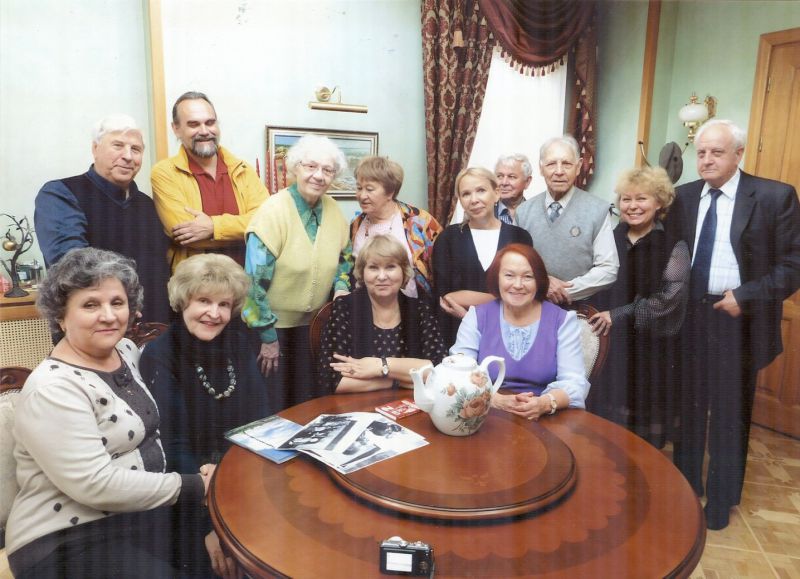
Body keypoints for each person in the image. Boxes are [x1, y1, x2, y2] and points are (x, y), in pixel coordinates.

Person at [5, 248, 214, 578]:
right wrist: (195, 487)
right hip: (65, 539)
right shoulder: (53, 388)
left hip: (139, 517)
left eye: (117, 302)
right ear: (61, 315)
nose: (109, 315)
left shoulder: (127, 351)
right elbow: (94, 483)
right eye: (90, 305)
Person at [667, 119, 800, 530]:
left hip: (738, 320)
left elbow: (793, 265)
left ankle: (721, 500)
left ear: (738, 154)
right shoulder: (683, 196)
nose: (706, 159)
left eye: (717, 152)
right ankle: (686, 488)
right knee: (688, 409)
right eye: (701, 152)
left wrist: (745, 296)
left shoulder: (774, 196)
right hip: (690, 317)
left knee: (729, 414)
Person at [139, 253, 266, 578]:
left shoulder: (239, 344)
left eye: (224, 304)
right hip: (186, 494)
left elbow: (260, 421)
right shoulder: (160, 355)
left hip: (240, 478)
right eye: (204, 301)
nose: (214, 313)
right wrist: (209, 527)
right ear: (183, 301)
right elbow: (173, 448)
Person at [242, 134, 353, 411]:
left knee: (309, 404)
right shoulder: (273, 211)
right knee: (275, 407)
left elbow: (345, 258)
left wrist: (341, 286)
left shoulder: (334, 210)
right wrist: (267, 337)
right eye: (311, 166)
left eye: (327, 170)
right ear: (295, 168)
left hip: (316, 328)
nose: (319, 176)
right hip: (272, 330)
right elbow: (252, 283)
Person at [587, 167, 690, 448]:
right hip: (609, 346)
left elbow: (669, 299)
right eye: (626, 199)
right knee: (603, 436)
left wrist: (617, 314)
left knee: (642, 442)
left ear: (659, 202)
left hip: (651, 351)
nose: (632, 206)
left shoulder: (674, 245)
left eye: (641, 198)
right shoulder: (608, 238)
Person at [34, 114, 171, 323]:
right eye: (118, 146)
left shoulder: (148, 204)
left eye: (136, 149)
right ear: (95, 148)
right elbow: (73, 263)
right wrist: (123, 305)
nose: (128, 156)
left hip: (154, 328)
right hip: (95, 326)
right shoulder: (61, 193)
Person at [450, 244, 589, 420]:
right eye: (509, 275)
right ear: (497, 278)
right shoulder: (476, 317)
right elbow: (457, 373)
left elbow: (575, 383)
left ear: (539, 281)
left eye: (528, 277)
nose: (517, 285)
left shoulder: (562, 321)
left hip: (543, 417)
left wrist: (545, 403)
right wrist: (494, 399)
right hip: (486, 415)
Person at [151, 91, 268, 270]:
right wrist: (244, 231)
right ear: (176, 129)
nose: (205, 131)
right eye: (193, 124)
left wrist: (213, 227)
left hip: (246, 280)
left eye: (210, 122)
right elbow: (185, 235)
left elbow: (266, 222)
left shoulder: (243, 169)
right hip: (194, 282)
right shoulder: (165, 173)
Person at [319, 235, 447, 393]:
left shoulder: (420, 311)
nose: (381, 276)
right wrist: (395, 380)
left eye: (390, 267)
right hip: (357, 405)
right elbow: (333, 380)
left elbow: (438, 369)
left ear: (403, 272)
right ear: (362, 272)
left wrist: (380, 365)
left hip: (411, 405)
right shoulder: (345, 308)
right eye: (373, 267)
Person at [433, 167, 532, 345]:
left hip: (508, 334)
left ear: (496, 193)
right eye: (466, 194)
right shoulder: (448, 238)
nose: (474, 200)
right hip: (458, 336)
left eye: (481, 190)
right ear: (460, 200)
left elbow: (525, 293)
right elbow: (447, 297)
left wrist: (469, 303)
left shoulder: (520, 237)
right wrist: (502, 298)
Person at [516, 135, 618, 305]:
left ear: (578, 167)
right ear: (541, 168)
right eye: (551, 164)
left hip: (578, 310)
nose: (559, 171)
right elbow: (515, 264)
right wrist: (542, 284)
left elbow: (608, 269)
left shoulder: (598, 210)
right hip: (530, 306)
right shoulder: (523, 211)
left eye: (567, 164)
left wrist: (563, 291)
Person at [350, 156, 442, 299]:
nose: (362, 196)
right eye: (359, 188)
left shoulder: (420, 221)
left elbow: (443, 268)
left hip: (414, 306)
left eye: (369, 189)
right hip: (365, 305)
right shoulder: (355, 225)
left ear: (390, 192)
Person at [449, 153, 535, 225]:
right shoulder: (479, 210)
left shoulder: (536, 212)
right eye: (499, 176)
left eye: (511, 177)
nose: (504, 182)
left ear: (527, 182)